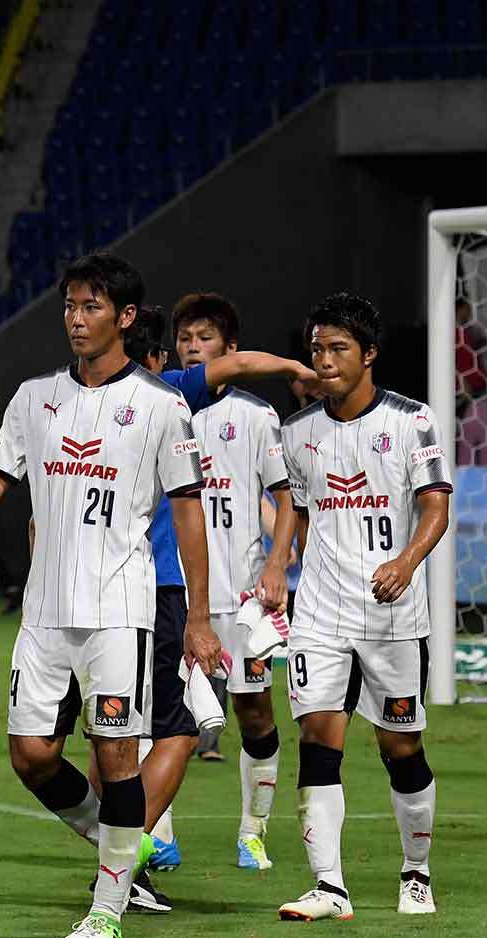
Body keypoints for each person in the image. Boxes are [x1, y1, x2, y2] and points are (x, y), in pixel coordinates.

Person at [0, 252, 221, 938]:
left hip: (121, 608)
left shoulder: (161, 405)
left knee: (118, 754)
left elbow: (187, 514)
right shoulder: (35, 398)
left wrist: (202, 616)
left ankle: (107, 911)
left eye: (92, 307)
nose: (77, 319)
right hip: (44, 611)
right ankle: (115, 843)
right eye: (69, 306)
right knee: (29, 754)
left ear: (123, 317)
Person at [274, 293, 452, 921]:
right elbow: (294, 508)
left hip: (392, 615)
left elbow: (436, 505)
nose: (323, 360)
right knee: (318, 739)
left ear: (369, 353)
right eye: (317, 348)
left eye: (338, 348)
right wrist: (275, 568)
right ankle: (330, 886)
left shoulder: (412, 421)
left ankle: (416, 870)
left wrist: (405, 563)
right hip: (320, 610)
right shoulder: (295, 433)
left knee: (400, 746)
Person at [171, 294, 297, 872]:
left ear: (230, 349)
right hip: (174, 593)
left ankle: (253, 830)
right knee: (164, 718)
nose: (192, 347)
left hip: (241, 596)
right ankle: (159, 833)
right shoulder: (159, 407)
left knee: (254, 712)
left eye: (204, 337)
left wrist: (277, 564)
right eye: (185, 339)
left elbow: (285, 497)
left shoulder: (255, 416)